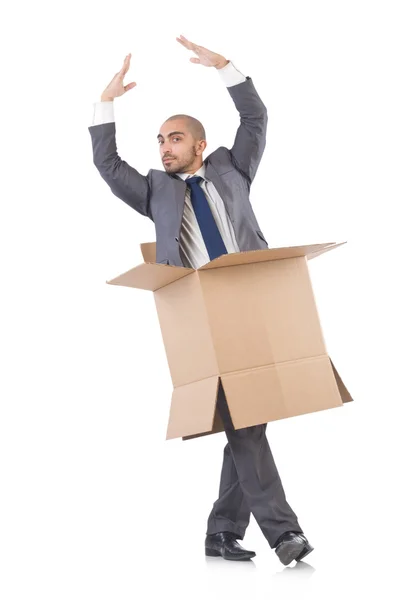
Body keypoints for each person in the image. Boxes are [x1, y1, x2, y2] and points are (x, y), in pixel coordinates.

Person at [88, 35, 313, 565]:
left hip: (253, 304)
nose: (165, 147)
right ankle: (284, 534)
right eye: (160, 139)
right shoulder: (153, 191)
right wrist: (106, 102)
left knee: (249, 419)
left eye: (176, 138)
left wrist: (226, 68)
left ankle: (221, 532)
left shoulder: (232, 169)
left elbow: (256, 118)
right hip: (202, 319)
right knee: (247, 420)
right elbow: (105, 162)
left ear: (199, 145)